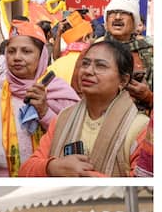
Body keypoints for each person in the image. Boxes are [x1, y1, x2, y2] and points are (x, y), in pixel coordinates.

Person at [0, 19, 80, 176]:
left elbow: (77, 145)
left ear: (42, 56)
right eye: (11, 51)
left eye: (26, 51)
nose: (17, 57)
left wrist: (45, 113)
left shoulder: (60, 93)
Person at [19, 40, 149, 177]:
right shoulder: (63, 119)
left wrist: (85, 177)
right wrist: (51, 167)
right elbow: (26, 171)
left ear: (123, 80)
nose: (87, 71)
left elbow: (143, 190)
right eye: (85, 64)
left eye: (100, 66)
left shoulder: (140, 128)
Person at [99, 0, 153, 111]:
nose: (117, 17)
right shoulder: (93, 50)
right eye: (112, 12)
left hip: (139, 124)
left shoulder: (150, 53)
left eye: (124, 12)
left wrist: (147, 96)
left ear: (135, 21)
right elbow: (78, 94)